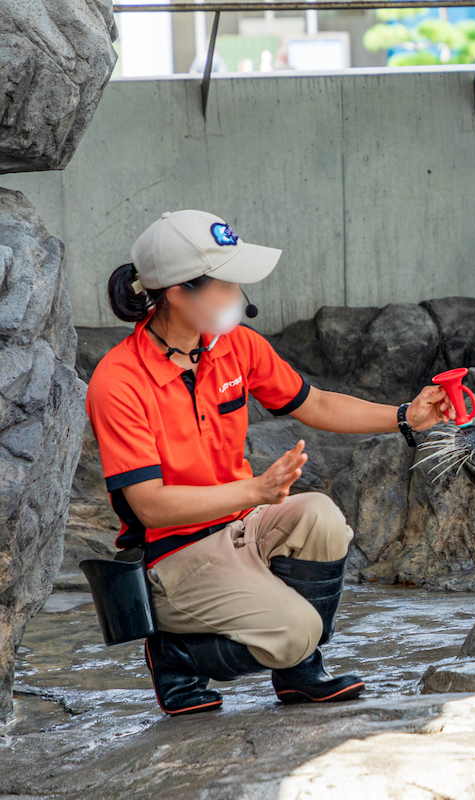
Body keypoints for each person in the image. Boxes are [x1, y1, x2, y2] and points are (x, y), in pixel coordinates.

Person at [85, 210, 453, 716]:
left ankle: (299, 673)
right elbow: (150, 507)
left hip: (241, 528)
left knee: (320, 516)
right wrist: (254, 492)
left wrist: (405, 416)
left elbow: (316, 403)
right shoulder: (119, 381)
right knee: (298, 629)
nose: (239, 294)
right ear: (177, 292)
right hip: (173, 558)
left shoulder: (234, 346)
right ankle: (175, 655)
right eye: (226, 282)